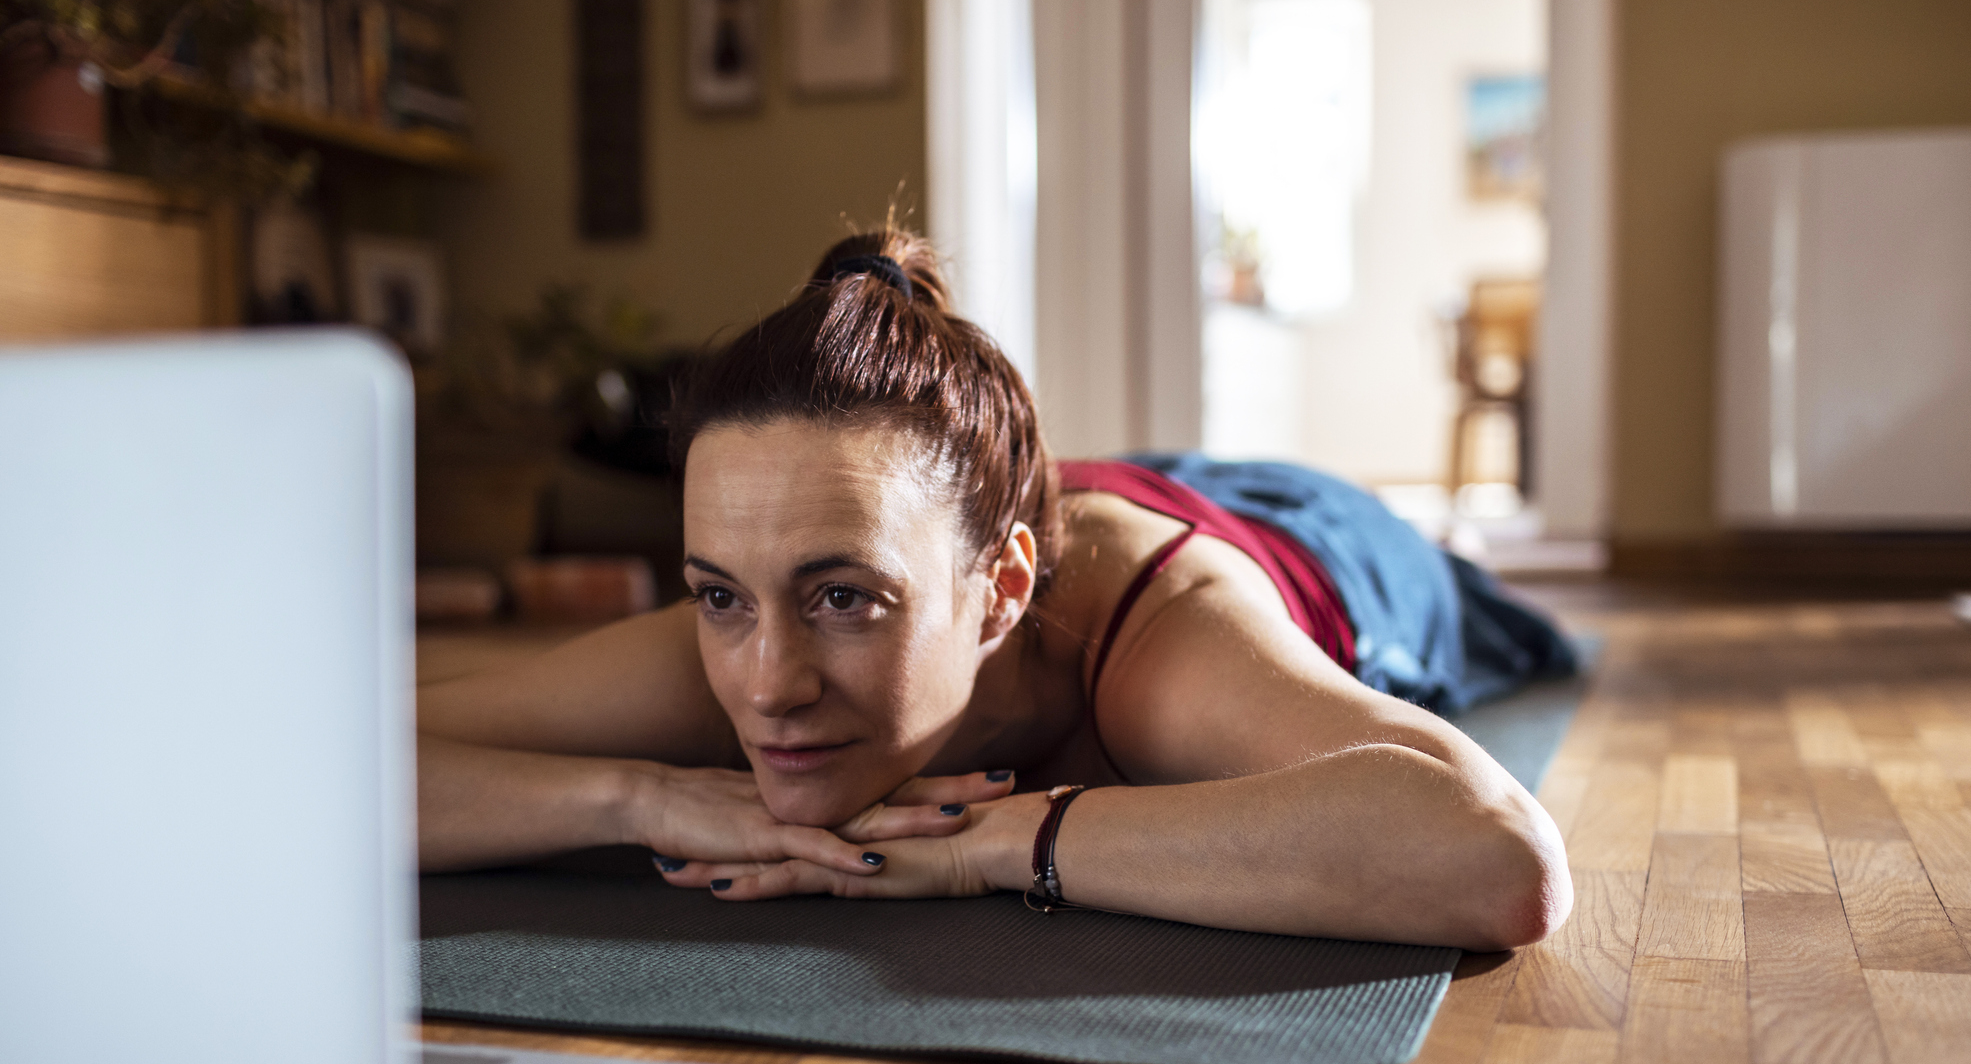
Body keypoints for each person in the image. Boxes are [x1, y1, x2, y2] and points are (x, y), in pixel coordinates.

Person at [418, 228, 1578, 950]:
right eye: (718, 594)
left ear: (1001, 591)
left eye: (844, 599)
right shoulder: (740, 635)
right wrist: (631, 800)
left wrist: (1001, 841)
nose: (767, 687)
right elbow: (311, 755)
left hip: (1312, 536)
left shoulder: (1161, 644)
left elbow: (1498, 858)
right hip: (1031, 494)